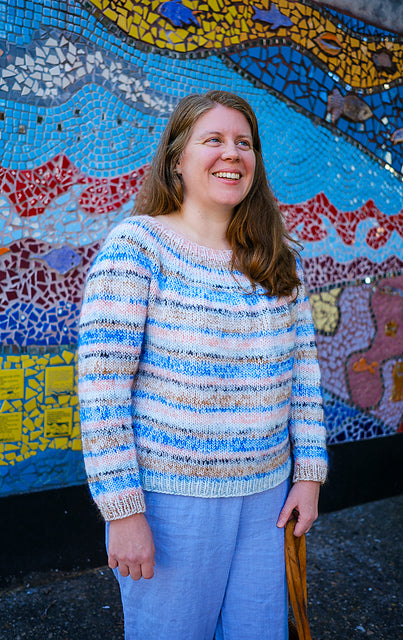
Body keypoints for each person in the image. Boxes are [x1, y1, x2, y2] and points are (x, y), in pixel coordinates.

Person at [78, 90, 328, 640]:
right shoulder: (136, 248)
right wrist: (122, 511)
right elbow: (103, 391)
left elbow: (305, 379)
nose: (231, 153)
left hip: (267, 501)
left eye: (244, 143)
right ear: (176, 159)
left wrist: (308, 476)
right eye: (212, 139)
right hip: (172, 505)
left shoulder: (275, 258)